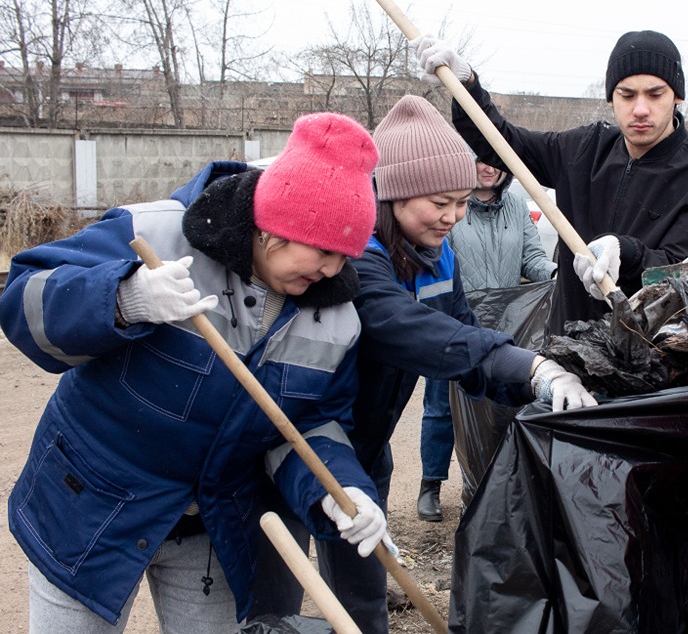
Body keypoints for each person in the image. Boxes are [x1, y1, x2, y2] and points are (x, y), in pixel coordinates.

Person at [0, 112, 395, 632]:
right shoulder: (155, 233)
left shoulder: (336, 320)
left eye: (345, 256)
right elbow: (22, 299)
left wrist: (342, 490)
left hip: (211, 526)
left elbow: (309, 425)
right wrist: (122, 299)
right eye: (324, 251)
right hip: (88, 508)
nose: (332, 271)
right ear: (275, 226)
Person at [315, 94, 596, 633]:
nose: (454, 216)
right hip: (311, 441)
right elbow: (409, 329)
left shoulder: (439, 253)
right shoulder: (356, 255)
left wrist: (532, 377)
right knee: (270, 596)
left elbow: (464, 336)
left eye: (464, 201)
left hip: (367, 445)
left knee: (360, 595)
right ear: (393, 194)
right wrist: (527, 366)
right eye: (441, 201)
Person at [413, 30, 688, 336]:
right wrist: (466, 86)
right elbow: (501, 143)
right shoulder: (585, 150)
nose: (640, 109)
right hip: (566, 344)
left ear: (677, 96)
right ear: (611, 98)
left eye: (655, 94)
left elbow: (681, 276)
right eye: (626, 95)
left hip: (645, 360)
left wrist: (625, 252)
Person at [417, 157, 557, 521]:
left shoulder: (515, 205)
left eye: (495, 160)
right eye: (481, 159)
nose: (489, 167)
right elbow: (436, 259)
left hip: (505, 320)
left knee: (496, 406)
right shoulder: (453, 205)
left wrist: (559, 273)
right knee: (441, 404)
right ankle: (431, 483)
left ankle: (489, 483)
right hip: (453, 318)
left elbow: (532, 258)